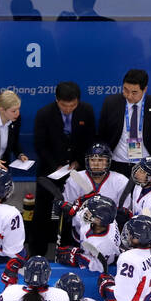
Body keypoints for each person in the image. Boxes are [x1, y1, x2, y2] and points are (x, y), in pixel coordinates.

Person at [29, 81, 96, 253]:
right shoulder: (44, 114)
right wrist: (55, 165)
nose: (68, 109)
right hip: (49, 172)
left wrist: (78, 162)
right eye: (64, 106)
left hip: (76, 172)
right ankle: (37, 253)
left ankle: (68, 251)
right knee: (42, 213)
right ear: (57, 101)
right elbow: (40, 145)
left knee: (72, 211)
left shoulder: (86, 111)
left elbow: (89, 141)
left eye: (73, 105)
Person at [98, 69, 151, 170]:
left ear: (144, 89)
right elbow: (102, 135)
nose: (128, 96)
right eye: (125, 90)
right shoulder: (111, 103)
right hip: (117, 163)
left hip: (146, 166)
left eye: (134, 92)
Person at [62, 144, 126, 243]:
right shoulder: (75, 178)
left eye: (100, 160)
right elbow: (69, 209)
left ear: (108, 162)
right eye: (92, 160)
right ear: (87, 161)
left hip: (109, 236)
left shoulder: (121, 181)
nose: (96, 164)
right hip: (80, 233)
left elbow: (123, 212)